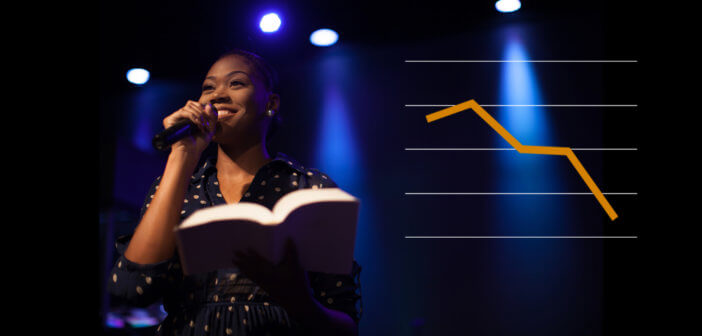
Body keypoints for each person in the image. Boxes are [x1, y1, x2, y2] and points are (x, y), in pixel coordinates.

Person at [108, 49, 362, 335]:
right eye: (208, 87)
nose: (217, 95)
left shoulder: (310, 188)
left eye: (236, 83)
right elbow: (130, 289)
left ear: (271, 103)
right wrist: (182, 154)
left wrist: (298, 300)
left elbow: (345, 326)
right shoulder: (177, 186)